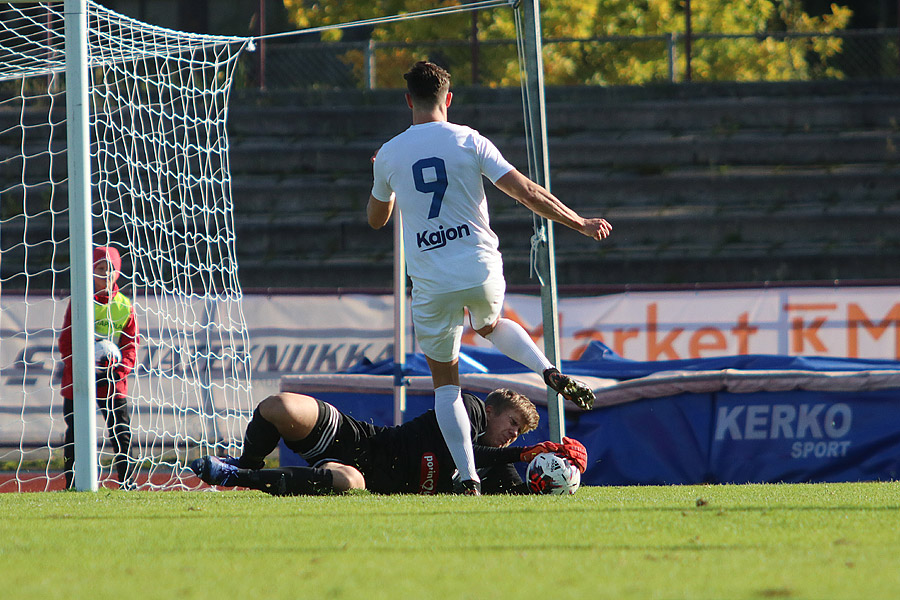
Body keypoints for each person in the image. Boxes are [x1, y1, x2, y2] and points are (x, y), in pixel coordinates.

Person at [366, 61, 612, 494]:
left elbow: (376, 220)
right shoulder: (469, 139)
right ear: (449, 98)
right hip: (479, 266)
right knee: (490, 325)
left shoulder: (389, 153)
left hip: (430, 278)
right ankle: (547, 369)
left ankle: (468, 478)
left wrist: (379, 177)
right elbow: (527, 192)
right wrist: (580, 223)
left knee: (447, 388)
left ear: (408, 100)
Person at [190, 388, 588, 496]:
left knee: (346, 483)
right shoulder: (465, 408)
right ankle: (249, 467)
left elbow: (518, 497)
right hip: (361, 439)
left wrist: (561, 470)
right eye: (513, 424)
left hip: (364, 473)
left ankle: (235, 477)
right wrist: (523, 451)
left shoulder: (494, 463)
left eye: (520, 434)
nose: (513, 436)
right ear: (494, 409)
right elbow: (458, 450)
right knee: (278, 406)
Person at [58, 246, 140, 489]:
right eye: (99, 268)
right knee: (75, 433)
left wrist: (120, 369)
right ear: (91, 271)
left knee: (121, 432)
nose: (104, 273)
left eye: (110, 269)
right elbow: (66, 342)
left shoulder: (125, 306)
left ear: (117, 273)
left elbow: (130, 345)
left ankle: (127, 482)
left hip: (113, 381)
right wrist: (82, 368)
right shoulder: (80, 302)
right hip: (80, 379)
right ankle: (72, 483)